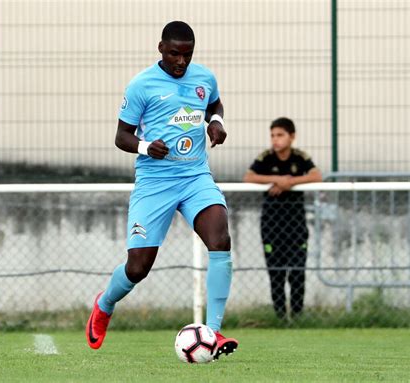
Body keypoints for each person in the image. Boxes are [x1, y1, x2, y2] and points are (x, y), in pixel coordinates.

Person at [86, 21, 238, 358]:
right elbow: (121, 136)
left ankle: (212, 331)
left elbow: (215, 105)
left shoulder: (204, 78)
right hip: (155, 182)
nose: (181, 62)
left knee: (220, 239)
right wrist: (143, 147)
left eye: (187, 54)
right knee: (138, 267)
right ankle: (105, 304)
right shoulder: (142, 86)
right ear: (161, 49)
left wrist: (217, 122)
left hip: (196, 176)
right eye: (174, 54)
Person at [243, 117, 322, 320]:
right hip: (271, 225)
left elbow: (316, 175)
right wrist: (276, 179)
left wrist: (291, 182)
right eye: (272, 135)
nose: (275, 140)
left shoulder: (299, 158)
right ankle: (279, 317)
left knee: (297, 273)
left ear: (292, 136)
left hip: (296, 226)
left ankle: (297, 317)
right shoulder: (266, 158)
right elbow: (249, 177)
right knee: (276, 273)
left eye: (280, 135)